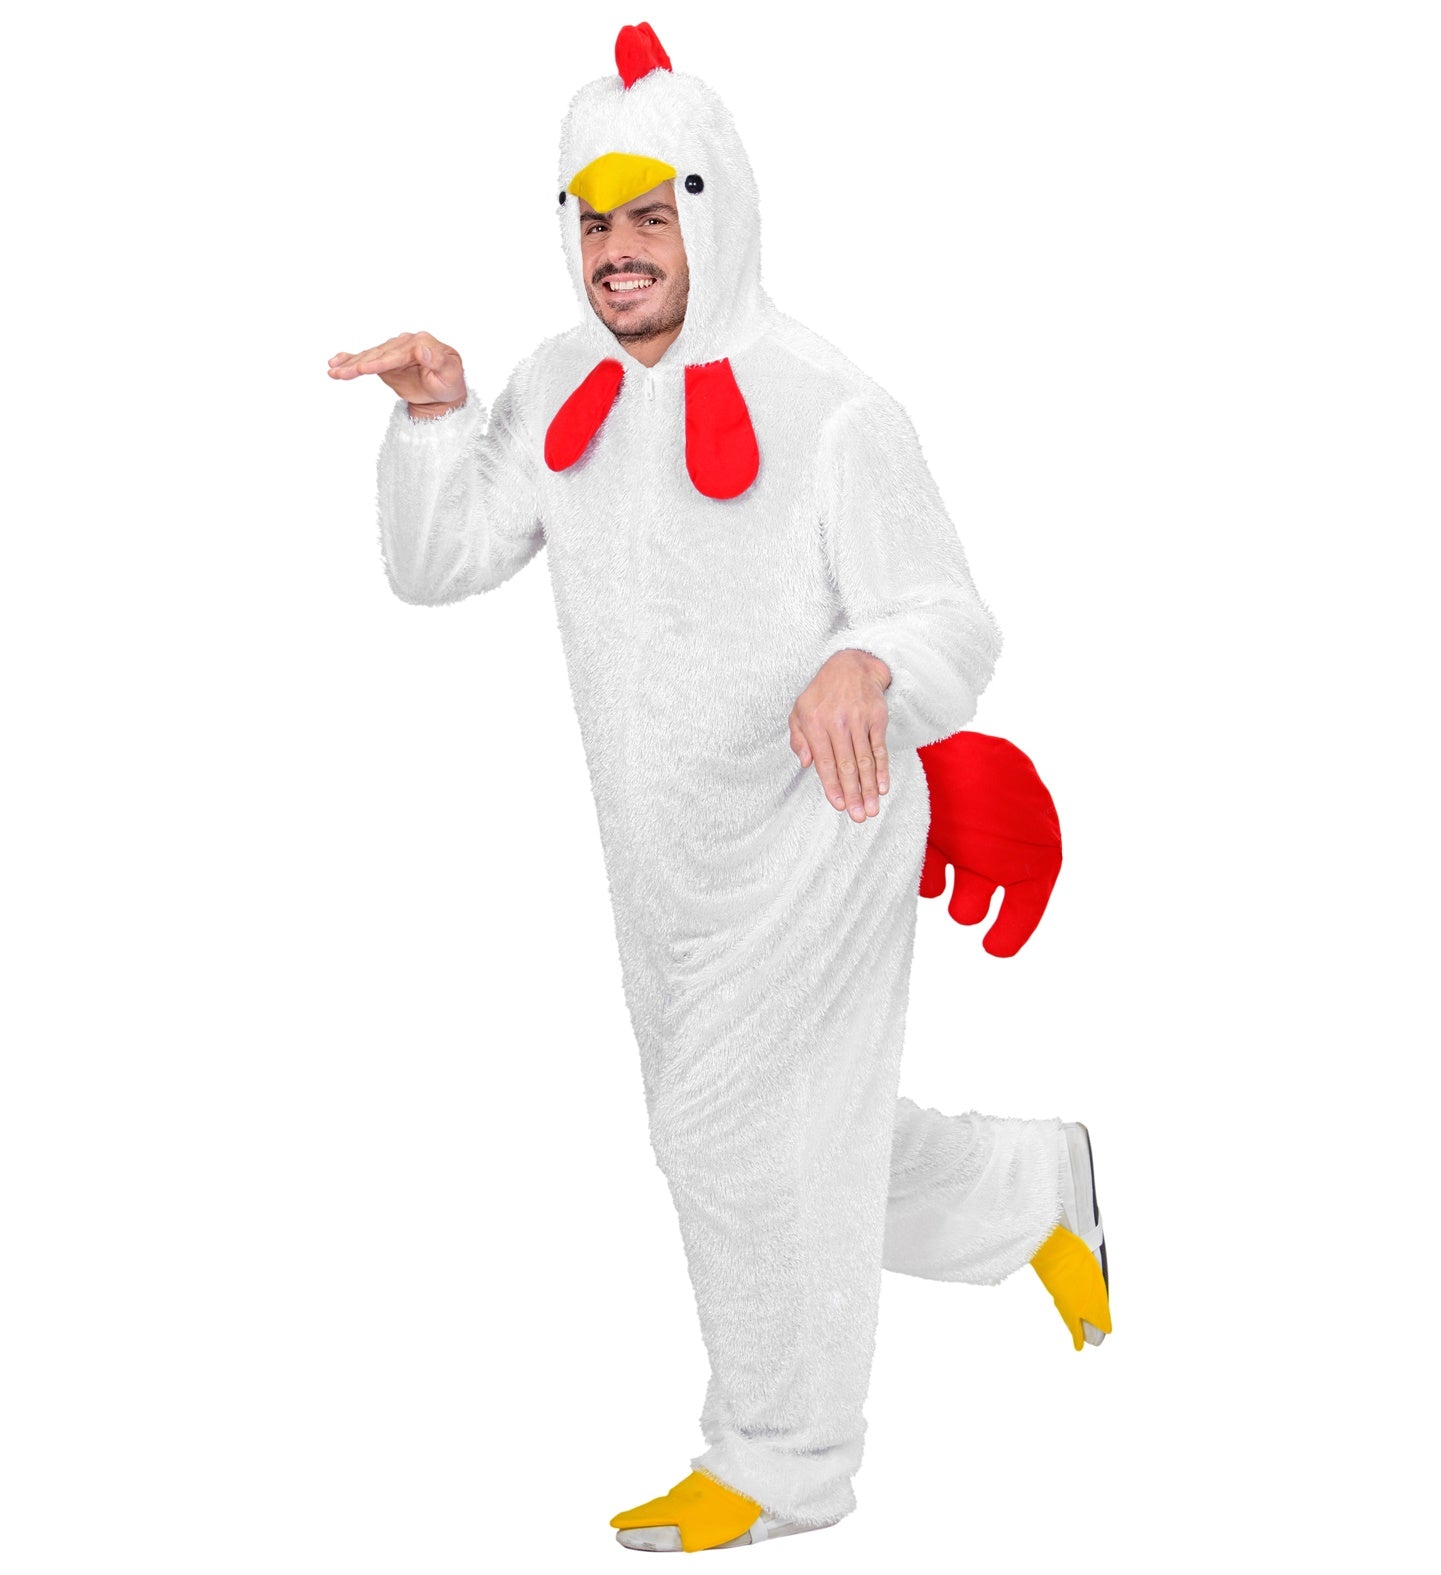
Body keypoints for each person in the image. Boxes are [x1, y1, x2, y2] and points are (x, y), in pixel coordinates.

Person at [327, 21, 1110, 1555]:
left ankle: (783, 1462)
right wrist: (431, 420)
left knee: (728, 1138)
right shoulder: (557, 381)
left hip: (826, 824)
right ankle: (1030, 1183)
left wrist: (866, 661)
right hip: (662, 854)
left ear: (715, 214)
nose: (616, 251)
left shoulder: (831, 406)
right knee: (791, 1135)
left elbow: (949, 616)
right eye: (592, 222)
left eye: (648, 217)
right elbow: (440, 564)